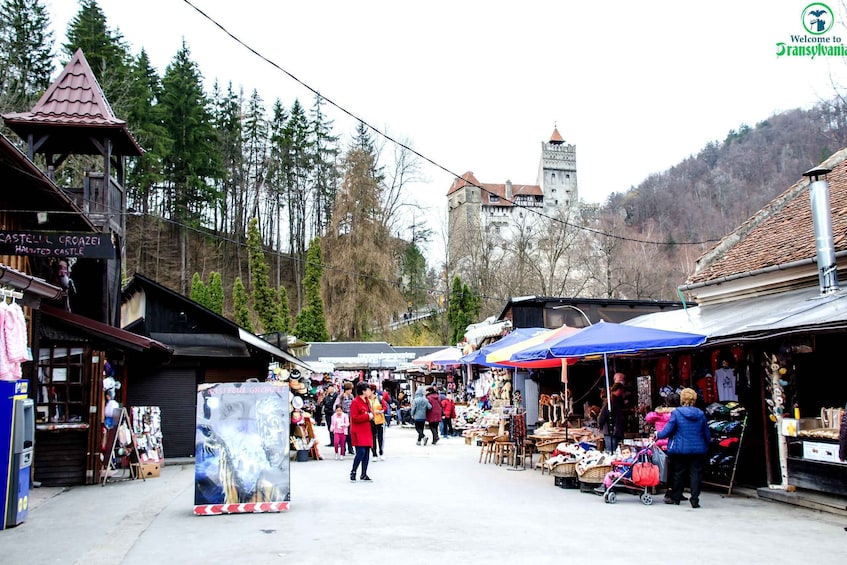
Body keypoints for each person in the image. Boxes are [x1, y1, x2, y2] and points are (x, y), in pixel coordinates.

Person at [657, 387, 710, 508]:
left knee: (678, 473)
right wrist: (705, 446)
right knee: (695, 474)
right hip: (698, 449)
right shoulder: (700, 414)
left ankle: (676, 497)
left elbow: (668, 430)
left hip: (680, 448)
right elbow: (706, 433)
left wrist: (658, 435)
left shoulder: (677, 413)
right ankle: (695, 499)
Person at [646, 392, 684, 502]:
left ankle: (666, 489)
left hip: (659, 444)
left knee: (663, 469)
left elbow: (648, 417)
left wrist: (658, 410)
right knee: (676, 469)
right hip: (674, 444)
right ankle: (674, 492)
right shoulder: (678, 414)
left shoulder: (659, 414)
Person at [349, 382, 374, 482]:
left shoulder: (367, 401)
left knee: (367, 452)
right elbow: (354, 417)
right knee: (361, 451)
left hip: (367, 429)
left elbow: (370, 413)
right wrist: (367, 416)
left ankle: (364, 473)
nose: (369, 391)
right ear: (363, 391)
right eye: (368, 389)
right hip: (358, 430)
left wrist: (371, 415)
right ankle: (353, 471)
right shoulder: (355, 402)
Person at [370, 385, 387, 461]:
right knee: (372, 438)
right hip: (370, 421)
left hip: (380, 420)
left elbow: (385, 407)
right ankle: (374, 454)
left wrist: (380, 411)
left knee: (380, 438)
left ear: (373, 391)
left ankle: (381, 452)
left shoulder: (379, 398)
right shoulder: (366, 399)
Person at [609, 383, 626, 453]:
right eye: (621, 391)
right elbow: (603, 416)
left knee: (616, 449)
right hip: (613, 428)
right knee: (612, 450)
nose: (622, 393)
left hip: (616, 428)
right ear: (618, 390)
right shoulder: (611, 401)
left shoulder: (617, 399)